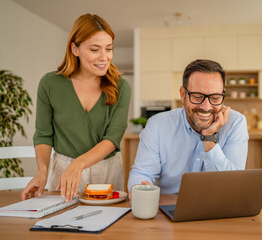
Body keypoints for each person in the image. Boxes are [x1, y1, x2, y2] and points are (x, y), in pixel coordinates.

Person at [22, 14, 131, 202]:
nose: (104, 57)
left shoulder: (121, 87)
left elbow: (113, 139)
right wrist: (42, 171)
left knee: (112, 229)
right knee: (61, 228)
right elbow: (43, 134)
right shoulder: (50, 84)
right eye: (95, 49)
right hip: (64, 171)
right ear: (75, 49)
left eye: (109, 49)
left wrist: (79, 164)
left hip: (106, 171)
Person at [128, 59, 249, 195]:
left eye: (215, 98)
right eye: (198, 97)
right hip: (168, 207)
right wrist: (139, 187)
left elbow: (232, 188)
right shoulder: (157, 125)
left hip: (218, 210)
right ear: (183, 94)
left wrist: (209, 138)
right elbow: (142, 173)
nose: (206, 107)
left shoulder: (235, 123)